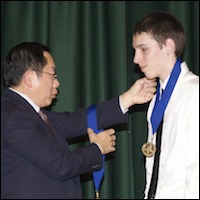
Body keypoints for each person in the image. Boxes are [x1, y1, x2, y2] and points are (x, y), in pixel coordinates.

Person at [1, 42, 157, 199]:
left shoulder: (25, 111)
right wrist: (98, 148)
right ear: (30, 78)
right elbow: (60, 165)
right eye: (52, 75)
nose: (57, 83)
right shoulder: (16, 117)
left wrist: (128, 99)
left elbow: (74, 122)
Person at [132, 11, 199, 199]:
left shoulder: (194, 94)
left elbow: (196, 174)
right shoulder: (156, 99)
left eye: (143, 49)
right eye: (135, 51)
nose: (136, 59)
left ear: (168, 46)